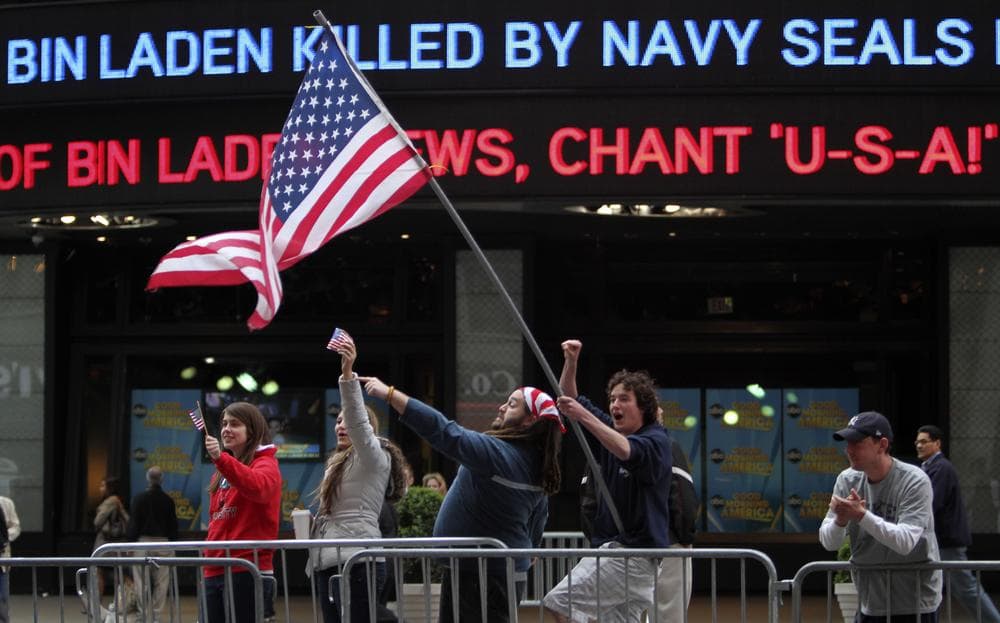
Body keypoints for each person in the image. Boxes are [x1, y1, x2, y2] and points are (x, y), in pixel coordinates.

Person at [361, 373, 564, 623]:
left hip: (481, 573)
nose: (501, 407)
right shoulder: (535, 463)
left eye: (511, 404)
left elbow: (445, 431)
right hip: (486, 569)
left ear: (529, 421)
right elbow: (539, 514)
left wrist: (390, 394)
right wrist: (531, 544)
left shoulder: (498, 455)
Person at [543, 339, 673, 623]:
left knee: (559, 602)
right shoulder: (610, 431)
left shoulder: (655, 440)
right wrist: (571, 361)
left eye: (624, 399)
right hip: (626, 555)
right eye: (612, 399)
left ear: (645, 407)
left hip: (632, 555)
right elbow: (570, 399)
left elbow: (626, 451)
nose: (615, 404)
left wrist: (583, 416)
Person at [309, 337, 409, 623]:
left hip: (358, 560)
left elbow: (357, 422)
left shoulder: (374, 454)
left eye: (347, 420)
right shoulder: (336, 462)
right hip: (327, 559)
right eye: (337, 421)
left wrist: (347, 375)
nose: (341, 425)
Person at [820, 411, 942, 622]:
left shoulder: (914, 480)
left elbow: (905, 542)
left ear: (882, 445)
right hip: (869, 602)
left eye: (857, 443)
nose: (849, 449)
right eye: (847, 443)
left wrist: (861, 516)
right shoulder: (847, 479)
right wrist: (840, 520)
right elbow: (829, 542)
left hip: (915, 603)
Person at [202, 402, 281, 623]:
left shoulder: (266, 463)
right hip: (214, 570)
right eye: (224, 423)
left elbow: (259, 488)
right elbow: (215, 520)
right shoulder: (221, 471)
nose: (226, 429)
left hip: (248, 570)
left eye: (234, 424)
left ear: (252, 431)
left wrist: (221, 459)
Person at [916, 425, 1000, 623]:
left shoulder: (941, 468)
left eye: (924, 441)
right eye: (917, 442)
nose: (919, 445)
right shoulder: (930, 467)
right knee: (928, 586)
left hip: (946, 541)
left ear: (937, 443)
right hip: (939, 540)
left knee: (966, 588)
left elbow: (932, 503)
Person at [125, 465, 178, 623]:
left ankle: (143, 615)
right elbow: (172, 526)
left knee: (141, 581)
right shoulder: (168, 500)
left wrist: (130, 544)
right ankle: (156, 616)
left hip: (142, 543)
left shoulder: (139, 498)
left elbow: (134, 525)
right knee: (162, 582)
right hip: (163, 543)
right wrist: (173, 544)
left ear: (148, 479)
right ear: (162, 480)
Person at [93, 476, 129, 600]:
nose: (100, 489)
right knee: (116, 573)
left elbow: (98, 521)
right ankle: (126, 599)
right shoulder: (118, 500)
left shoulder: (110, 501)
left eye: (103, 486)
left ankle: (96, 603)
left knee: (99, 571)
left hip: (107, 542)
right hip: (117, 543)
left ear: (109, 488)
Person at [0, 495, 20, 623]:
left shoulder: (5, 503)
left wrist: (4, 538)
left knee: (3, 597)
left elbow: (15, 526)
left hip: (2, 556)